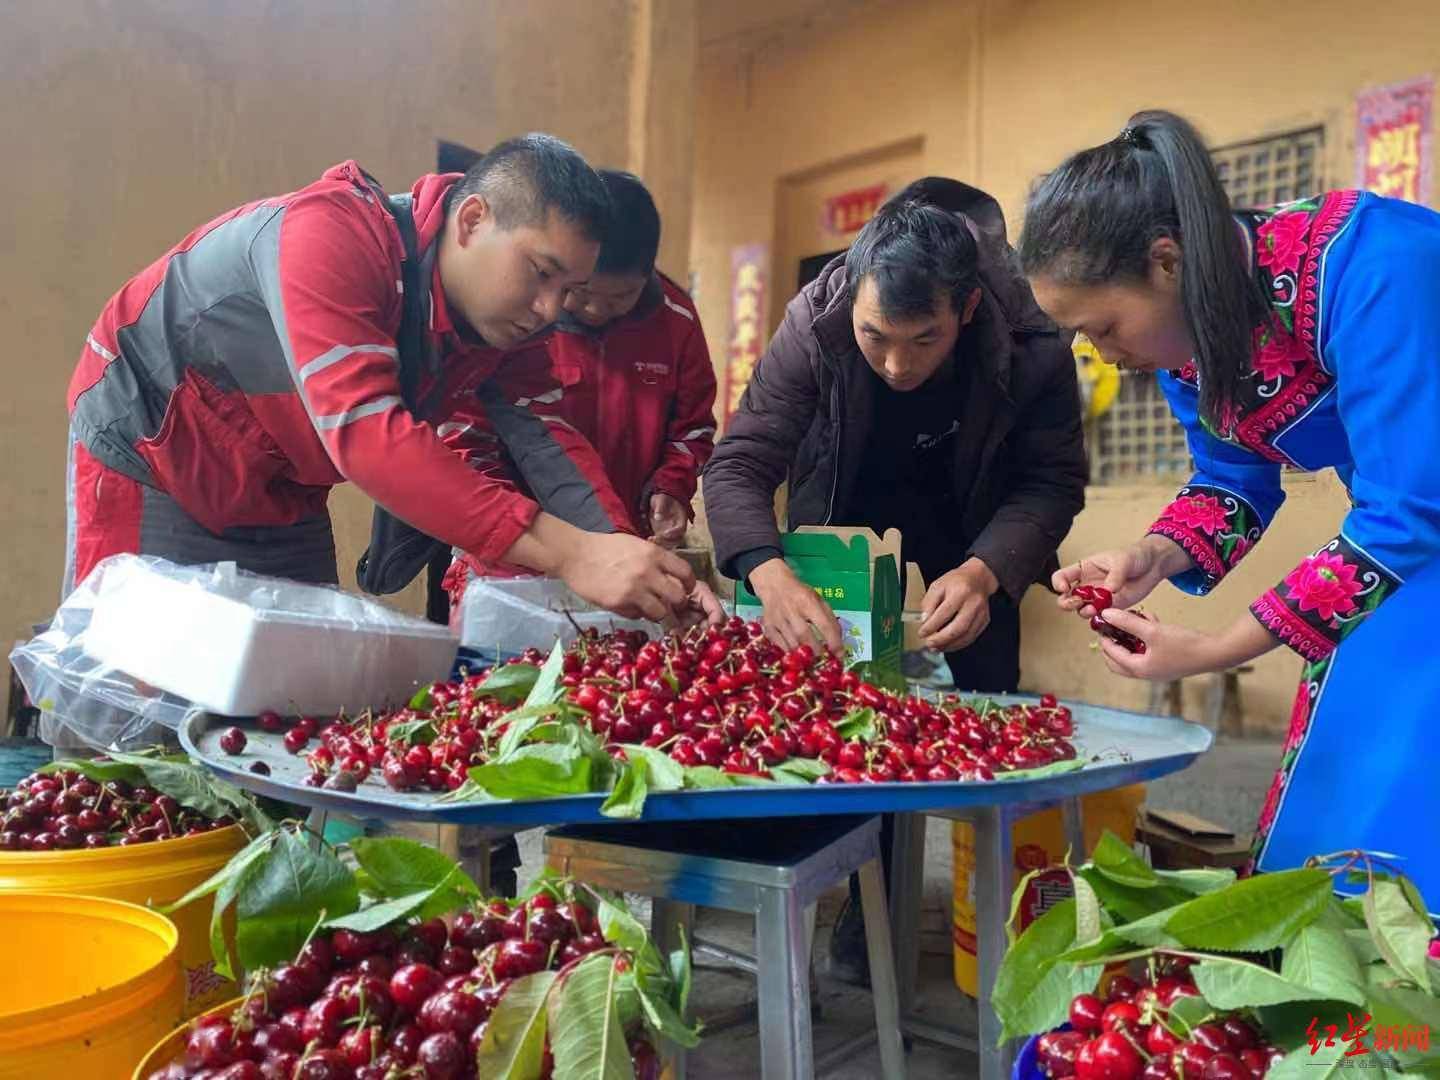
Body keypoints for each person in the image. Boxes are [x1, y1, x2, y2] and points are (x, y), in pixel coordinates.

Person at [1020, 109, 1440, 913]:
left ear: (1166, 261)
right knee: (1339, 786)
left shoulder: (1371, 266)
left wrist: (1215, 648)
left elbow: (1406, 509)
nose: (1103, 355)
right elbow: (1229, 481)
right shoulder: (1191, 343)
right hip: (1409, 545)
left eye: (1102, 327)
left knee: (1402, 790)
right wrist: (1152, 554)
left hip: (1411, 534)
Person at [62, 134, 701, 646]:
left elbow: (550, 444)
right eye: (541, 272)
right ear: (473, 220)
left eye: (569, 291)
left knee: (290, 700)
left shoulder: (507, 331)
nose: (549, 308)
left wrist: (625, 553)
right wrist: (571, 555)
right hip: (153, 459)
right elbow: (368, 434)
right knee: (136, 716)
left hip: (282, 492)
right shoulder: (330, 236)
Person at [702, 178, 1087, 981]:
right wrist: (768, 572)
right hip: (845, 541)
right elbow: (740, 463)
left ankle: (998, 920)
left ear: (968, 311)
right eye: (876, 337)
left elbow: (1050, 482)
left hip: (971, 545)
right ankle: (858, 907)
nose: (896, 362)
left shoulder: (1036, 340)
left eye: (924, 339)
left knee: (981, 739)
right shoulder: (815, 321)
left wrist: (986, 574)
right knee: (841, 732)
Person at [436, 169, 718, 610]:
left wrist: (671, 486)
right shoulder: (525, 318)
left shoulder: (676, 321)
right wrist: (527, 541)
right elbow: (462, 439)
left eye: (619, 297)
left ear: (647, 277)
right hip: (511, 554)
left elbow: (693, 426)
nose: (593, 310)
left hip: (618, 555)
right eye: (581, 292)